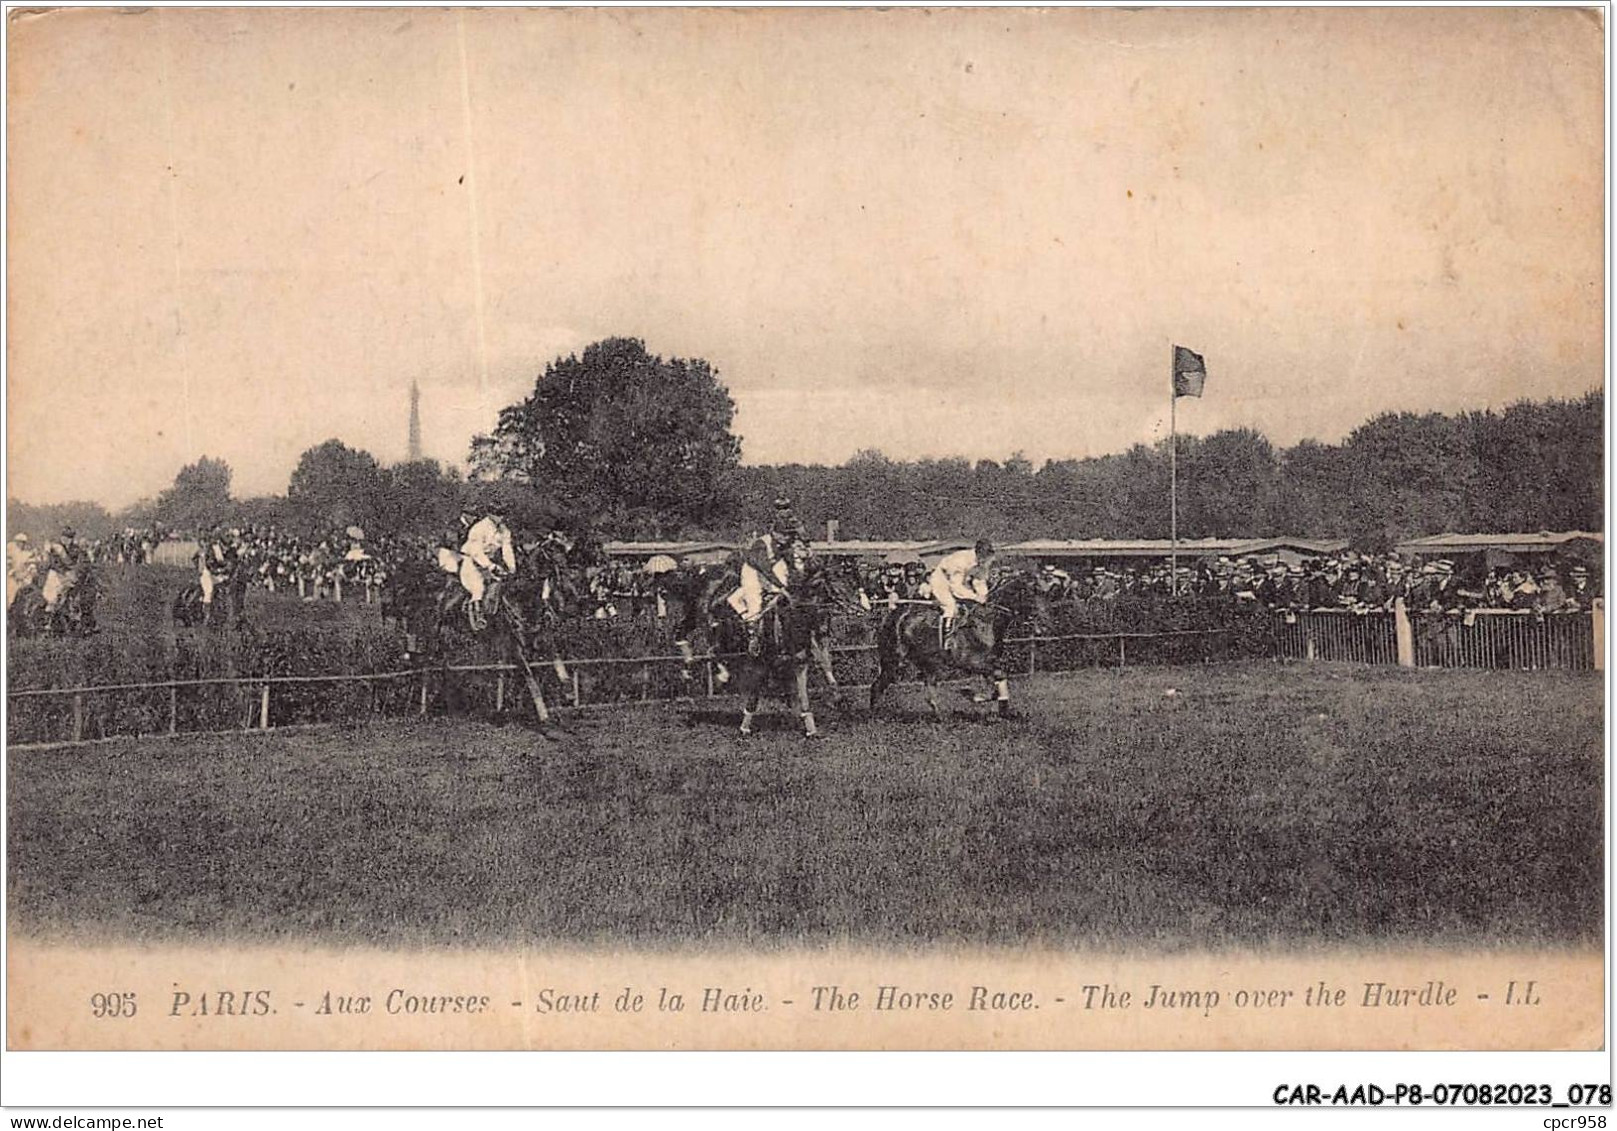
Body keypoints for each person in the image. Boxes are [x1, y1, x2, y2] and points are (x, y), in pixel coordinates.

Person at [929, 539, 995, 644]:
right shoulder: (961, 560)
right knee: (951, 606)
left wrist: (983, 595)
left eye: (987, 556)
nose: (985, 560)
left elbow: (979, 581)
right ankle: (946, 639)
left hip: (962, 582)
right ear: (978, 552)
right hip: (942, 581)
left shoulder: (982, 563)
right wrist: (975, 597)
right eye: (984, 556)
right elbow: (956, 588)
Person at [459, 506, 515, 630]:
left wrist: (511, 567)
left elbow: (507, 550)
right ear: (489, 514)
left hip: (490, 562)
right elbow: (476, 552)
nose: (500, 517)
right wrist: (490, 566)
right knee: (478, 587)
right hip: (472, 562)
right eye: (497, 513)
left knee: (500, 585)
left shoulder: (504, 530)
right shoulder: (478, 528)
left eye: (502, 514)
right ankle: (478, 617)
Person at [6, 533, 36, 606]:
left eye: (22, 542)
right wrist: (13, 573)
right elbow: (8, 565)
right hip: (13, 577)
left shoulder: (28, 554)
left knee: (27, 593)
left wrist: (27, 574)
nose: (20, 544)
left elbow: (32, 566)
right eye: (18, 542)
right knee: (11, 593)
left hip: (25, 577)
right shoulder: (10, 552)